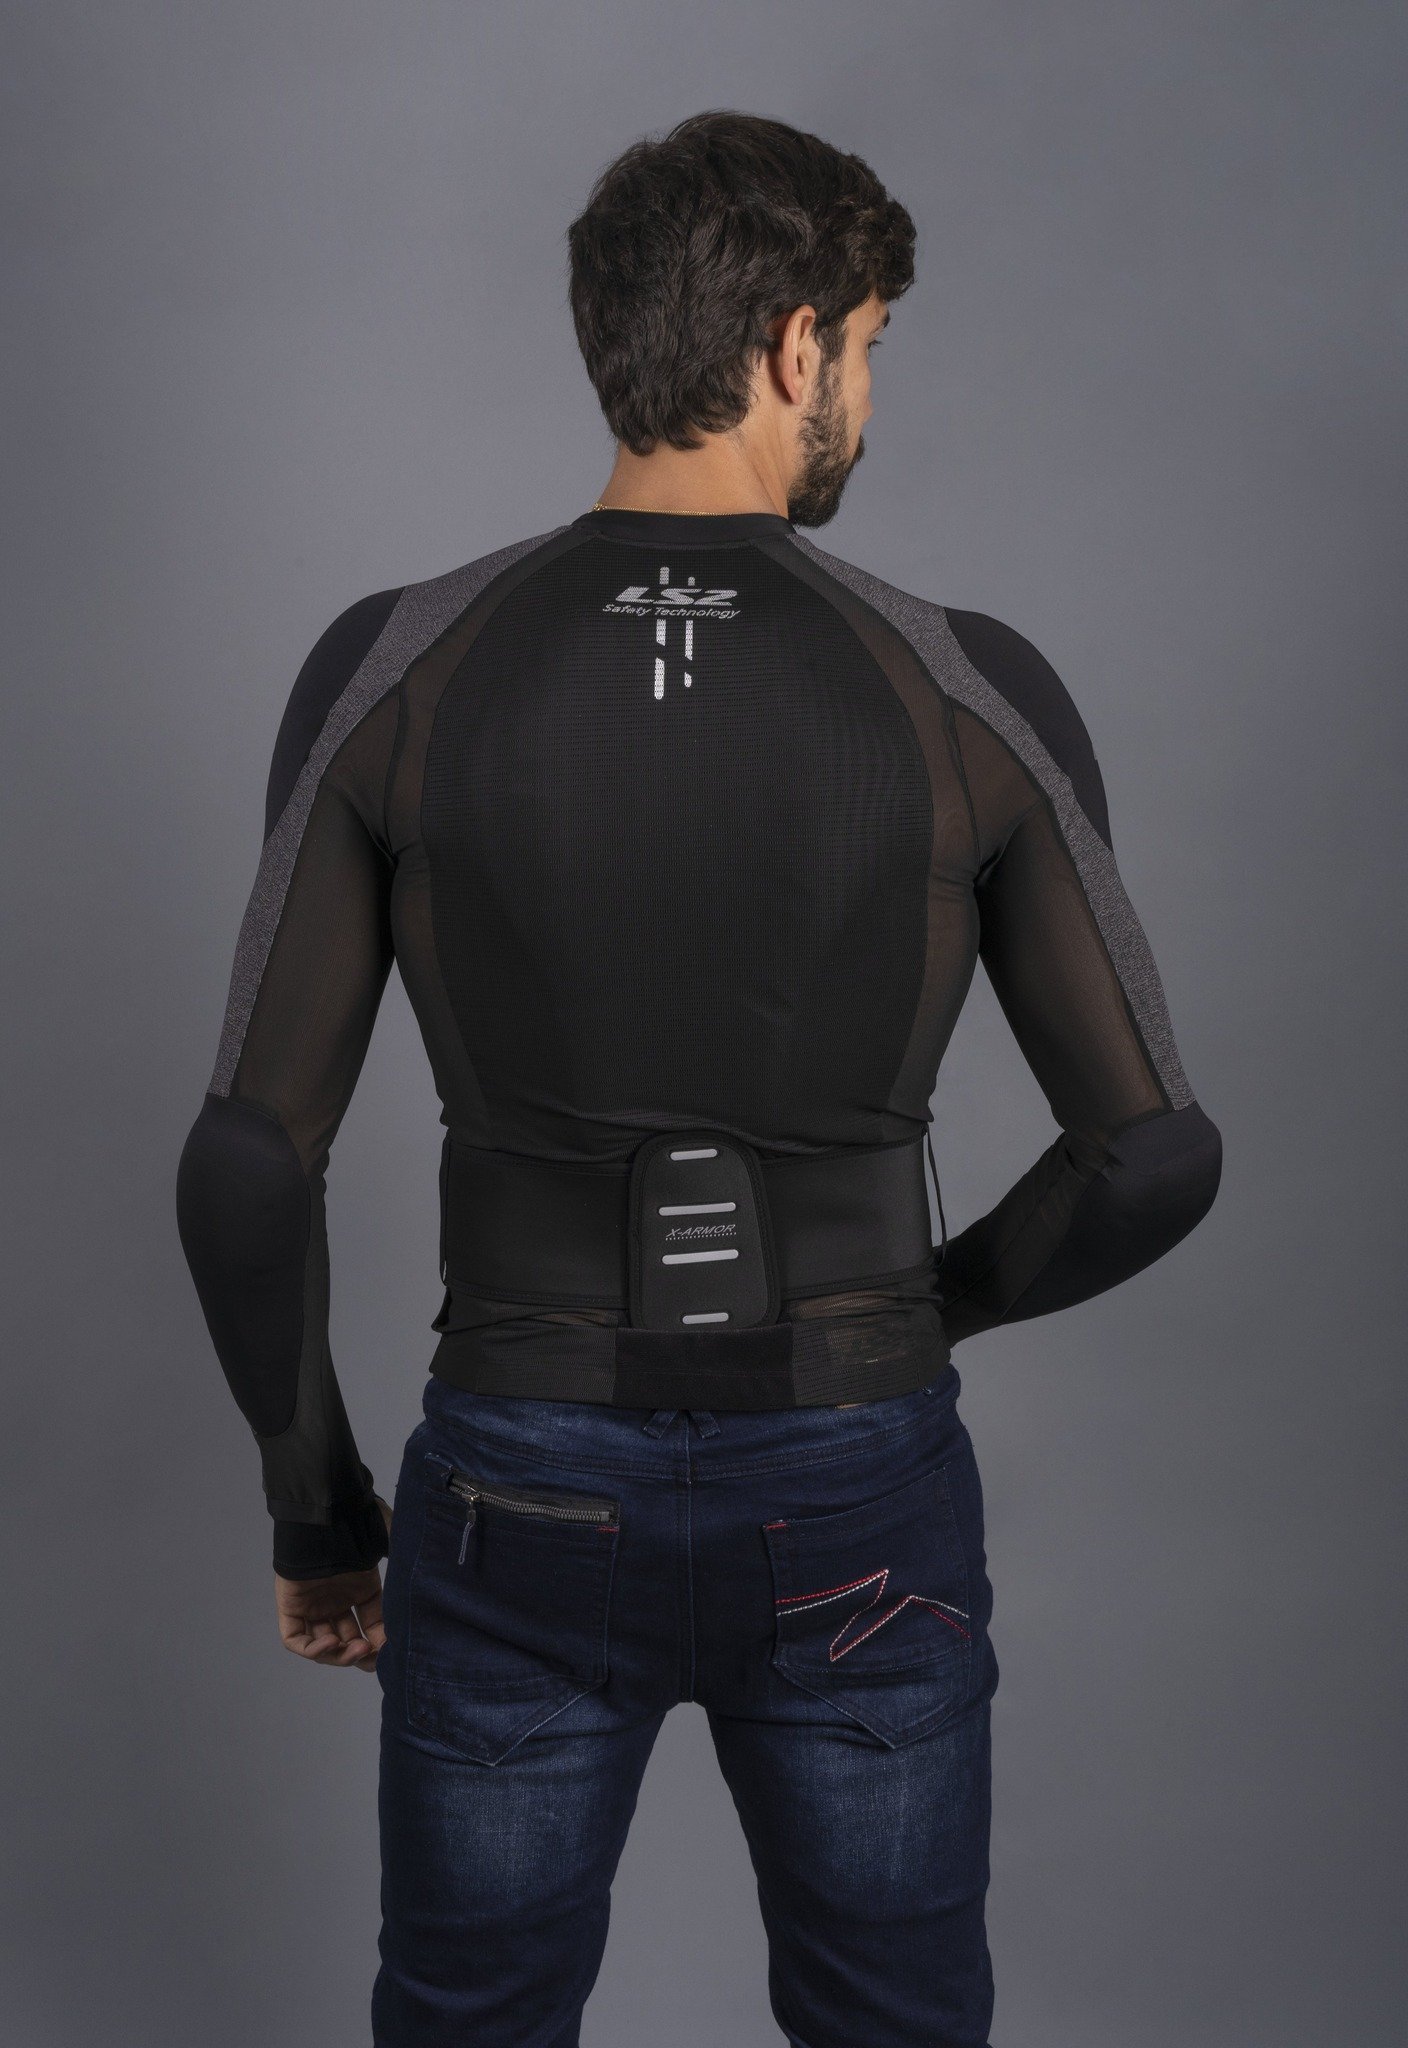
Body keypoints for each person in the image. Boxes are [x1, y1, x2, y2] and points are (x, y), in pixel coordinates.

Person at [175, 109, 1222, 2048]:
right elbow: (1150, 1155)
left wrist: (316, 1515)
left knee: (469, 2017)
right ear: (796, 343)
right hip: (855, 1470)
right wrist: (931, 1303)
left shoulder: (393, 666)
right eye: (871, 350)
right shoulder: (963, 684)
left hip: (515, 1474)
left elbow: (247, 1163)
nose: (865, 399)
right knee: (892, 2020)